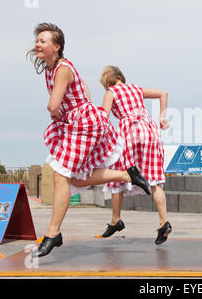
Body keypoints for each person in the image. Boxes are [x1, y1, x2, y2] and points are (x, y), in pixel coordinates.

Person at [27, 23, 151, 257]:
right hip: (77, 122)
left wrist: (57, 111)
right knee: (76, 178)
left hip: (82, 124)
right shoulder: (50, 69)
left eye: (43, 41)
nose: (38, 44)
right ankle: (128, 174)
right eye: (37, 40)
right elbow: (82, 87)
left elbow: (53, 104)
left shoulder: (62, 68)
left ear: (57, 46)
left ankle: (53, 234)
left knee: (60, 174)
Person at [98, 65, 172, 244]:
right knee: (154, 180)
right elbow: (164, 93)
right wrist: (162, 116)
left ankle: (116, 220)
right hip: (149, 130)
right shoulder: (136, 89)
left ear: (107, 80)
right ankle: (164, 222)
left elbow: (104, 117)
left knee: (118, 174)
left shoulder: (111, 92)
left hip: (129, 132)